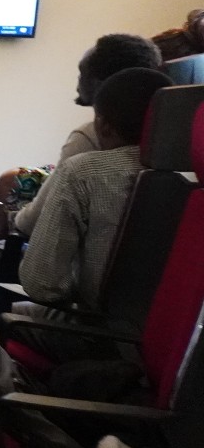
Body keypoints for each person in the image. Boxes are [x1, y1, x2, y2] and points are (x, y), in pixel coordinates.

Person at [15, 66, 172, 336]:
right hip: (173, 342)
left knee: (7, 312)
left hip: (103, 335)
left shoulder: (83, 172)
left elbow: (42, 284)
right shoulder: (193, 176)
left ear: (103, 124)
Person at [0, 32, 162, 241]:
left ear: (102, 83)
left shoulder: (89, 136)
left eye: (82, 74)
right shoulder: (163, 125)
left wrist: (16, 218)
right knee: (10, 178)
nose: (77, 83)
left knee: (4, 203)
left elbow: (36, 219)